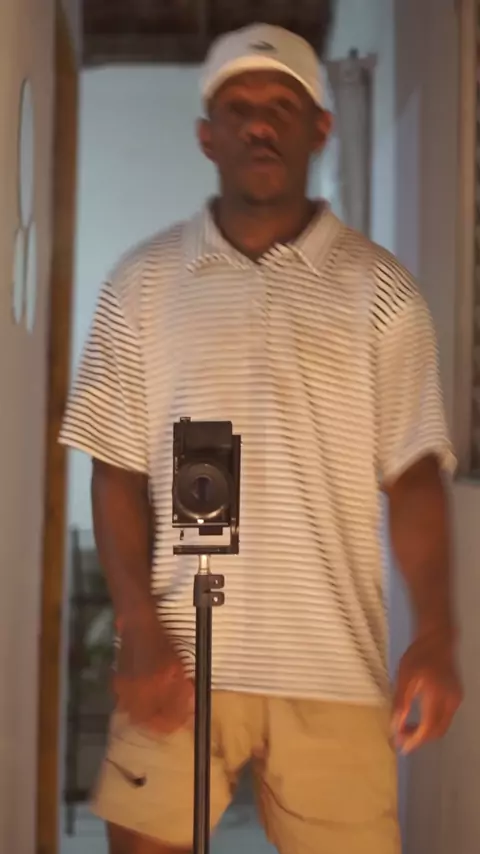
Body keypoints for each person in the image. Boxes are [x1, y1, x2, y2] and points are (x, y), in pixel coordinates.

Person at [60, 22, 463, 854]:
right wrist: (138, 624)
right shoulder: (141, 284)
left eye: (282, 104)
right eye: (237, 106)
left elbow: (414, 473)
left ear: (321, 127)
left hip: (335, 667)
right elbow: (117, 468)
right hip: (178, 656)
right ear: (207, 136)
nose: (258, 123)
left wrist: (437, 628)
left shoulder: (382, 293)